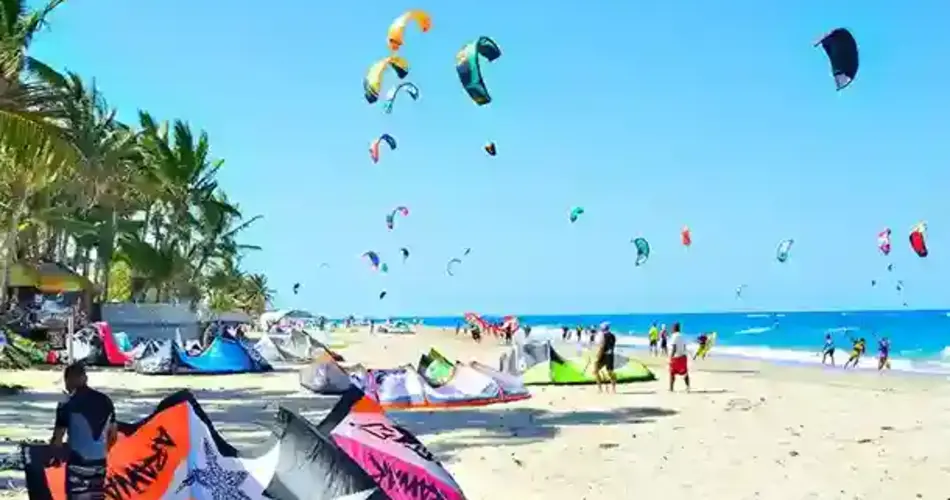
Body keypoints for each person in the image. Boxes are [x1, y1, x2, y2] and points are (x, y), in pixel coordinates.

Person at [50, 362, 117, 499]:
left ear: (68, 381)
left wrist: (53, 457)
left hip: (77, 462)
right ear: (85, 379)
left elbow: (58, 438)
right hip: (100, 462)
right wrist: (103, 452)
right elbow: (113, 435)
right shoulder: (105, 400)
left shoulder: (66, 403)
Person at [593, 322, 617, 393]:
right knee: (610, 372)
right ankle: (613, 389)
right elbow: (611, 346)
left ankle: (600, 389)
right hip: (610, 355)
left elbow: (602, 347)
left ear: (602, 328)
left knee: (596, 370)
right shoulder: (613, 336)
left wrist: (598, 356)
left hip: (603, 355)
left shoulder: (602, 335)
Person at [668, 322, 690, 392]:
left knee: (672, 373)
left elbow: (674, 348)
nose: (672, 329)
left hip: (676, 358)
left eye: (672, 327)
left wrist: (671, 358)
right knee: (685, 372)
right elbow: (684, 347)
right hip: (683, 357)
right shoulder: (682, 336)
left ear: (674, 328)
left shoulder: (674, 336)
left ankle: (671, 388)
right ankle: (688, 387)